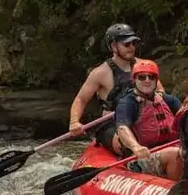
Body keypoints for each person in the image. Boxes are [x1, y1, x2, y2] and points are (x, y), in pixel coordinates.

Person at [68, 23, 163, 151]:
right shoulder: (101, 73)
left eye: (134, 43)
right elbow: (81, 99)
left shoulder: (144, 66)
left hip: (144, 120)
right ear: (113, 46)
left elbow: (161, 93)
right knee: (125, 145)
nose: (131, 48)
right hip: (112, 124)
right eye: (126, 44)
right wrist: (74, 121)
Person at [113, 59, 183, 179]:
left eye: (151, 77)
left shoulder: (169, 100)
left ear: (156, 80)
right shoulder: (128, 103)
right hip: (141, 157)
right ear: (134, 80)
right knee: (174, 154)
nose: (147, 80)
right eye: (142, 77)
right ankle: (176, 189)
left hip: (171, 148)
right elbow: (123, 129)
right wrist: (136, 147)